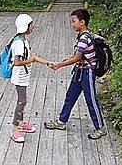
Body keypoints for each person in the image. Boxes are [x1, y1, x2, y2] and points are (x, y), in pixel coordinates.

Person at [44, 8, 107, 139]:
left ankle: (100, 128)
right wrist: (64, 60)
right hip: (79, 71)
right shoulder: (82, 37)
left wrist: (59, 65)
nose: (72, 24)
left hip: (87, 72)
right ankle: (62, 121)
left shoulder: (84, 38)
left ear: (82, 22)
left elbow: (77, 58)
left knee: (91, 99)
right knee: (70, 96)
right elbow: (76, 55)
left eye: (74, 21)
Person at [10, 13, 52, 143]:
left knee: (23, 101)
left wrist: (47, 62)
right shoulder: (18, 43)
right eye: (31, 25)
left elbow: (30, 57)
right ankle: (14, 130)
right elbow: (16, 62)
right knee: (21, 102)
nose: (32, 27)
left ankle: (21, 124)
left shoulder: (23, 40)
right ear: (25, 27)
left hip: (24, 76)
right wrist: (31, 60)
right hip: (19, 77)